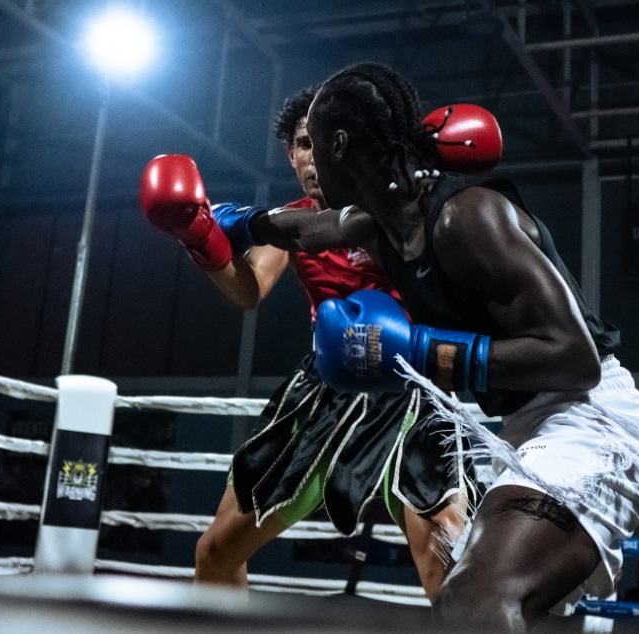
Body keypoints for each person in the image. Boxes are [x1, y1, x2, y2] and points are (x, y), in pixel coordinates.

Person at [235, 62, 639, 630]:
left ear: (340, 144)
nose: (310, 167)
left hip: (590, 419)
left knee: (474, 602)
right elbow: (304, 230)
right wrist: (223, 222)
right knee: (485, 611)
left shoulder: (466, 217)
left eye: (315, 146)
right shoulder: (381, 222)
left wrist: (420, 351)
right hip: (528, 425)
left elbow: (577, 359)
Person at [137, 86, 473, 602]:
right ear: (290, 154)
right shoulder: (288, 222)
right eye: (301, 144)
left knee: (446, 559)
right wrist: (199, 236)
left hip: (412, 377)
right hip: (326, 385)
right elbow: (249, 290)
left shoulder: (399, 208)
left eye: (323, 141)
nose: (312, 157)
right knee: (216, 551)